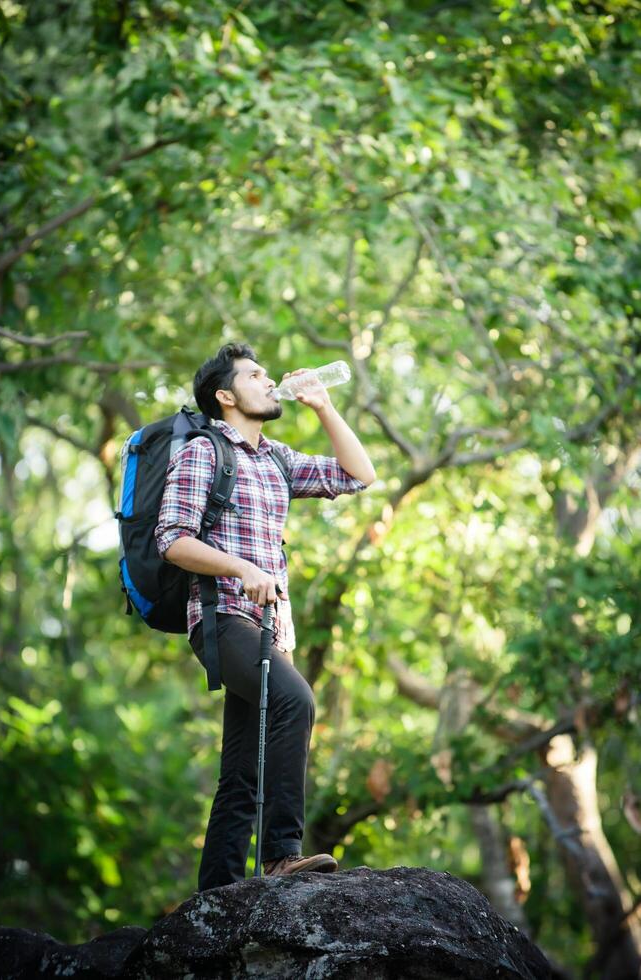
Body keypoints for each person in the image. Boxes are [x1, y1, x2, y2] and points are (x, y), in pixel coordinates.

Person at [154, 343, 376, 891]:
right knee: (295, 700)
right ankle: (280, 856)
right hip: (222, 617)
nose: (269, 379)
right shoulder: (205, 452)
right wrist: (242, 568)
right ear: (226, 396)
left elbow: (359, 474)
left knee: (242, 772)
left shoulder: (276, 458)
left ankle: (218, 896)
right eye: (255, 375)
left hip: (270, 631)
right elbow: (171, 539)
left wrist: (323, 406)